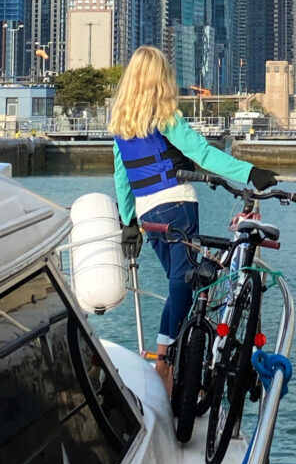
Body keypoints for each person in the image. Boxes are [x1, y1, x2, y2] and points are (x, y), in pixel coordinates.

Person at [109, 45, 276, 393]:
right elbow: (201, 153)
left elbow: (122, 177)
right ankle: (169, 367)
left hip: (147, 216)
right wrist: (250, 172)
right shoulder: (165, 116)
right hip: (177, 204)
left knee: (178, 282)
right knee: (185, 281)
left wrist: (128, 223)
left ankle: (166, 359)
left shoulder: (121, 124)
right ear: (161, 79)